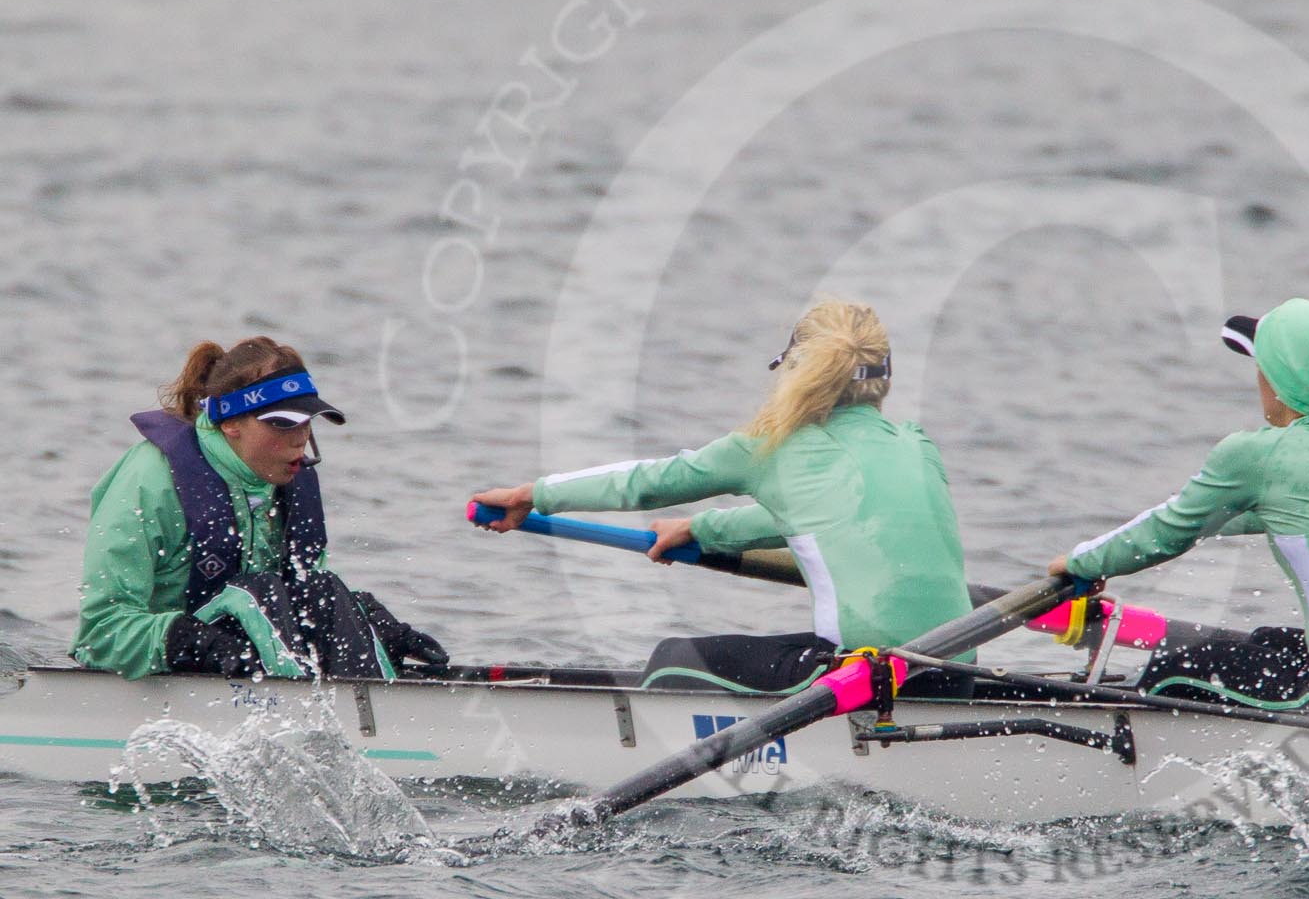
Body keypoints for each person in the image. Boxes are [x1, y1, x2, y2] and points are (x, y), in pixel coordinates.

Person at [471, 300, 973, 696]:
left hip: (864, 678)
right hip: (956, 675)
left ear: (798, 373)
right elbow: (832, 519)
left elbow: (647, 482)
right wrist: (702, 529)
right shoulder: (916, 446)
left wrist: (532, 494)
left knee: (675, 660)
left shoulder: (771, 448)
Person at [1048, 293, 1309, 715]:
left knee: (1175, 670)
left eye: (1260, 365)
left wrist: (1082, 563)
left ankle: (1124, 763)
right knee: (1267, 641)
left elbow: (1169, 532)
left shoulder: (1262, 455)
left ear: (1286, 380)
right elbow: (1231, 518)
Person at [75, 337, 447, 681]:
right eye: (283, 424)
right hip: (167, 667)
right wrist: (193, 641)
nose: (300, 439)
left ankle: (375, 693)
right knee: (260, 593)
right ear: (232, 422)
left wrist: (364, 620)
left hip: (251, 653)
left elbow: (304, 598)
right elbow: (100, 634)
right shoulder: (149, 481)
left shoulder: (286, 480)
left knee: (324, 591)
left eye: (307, 421)